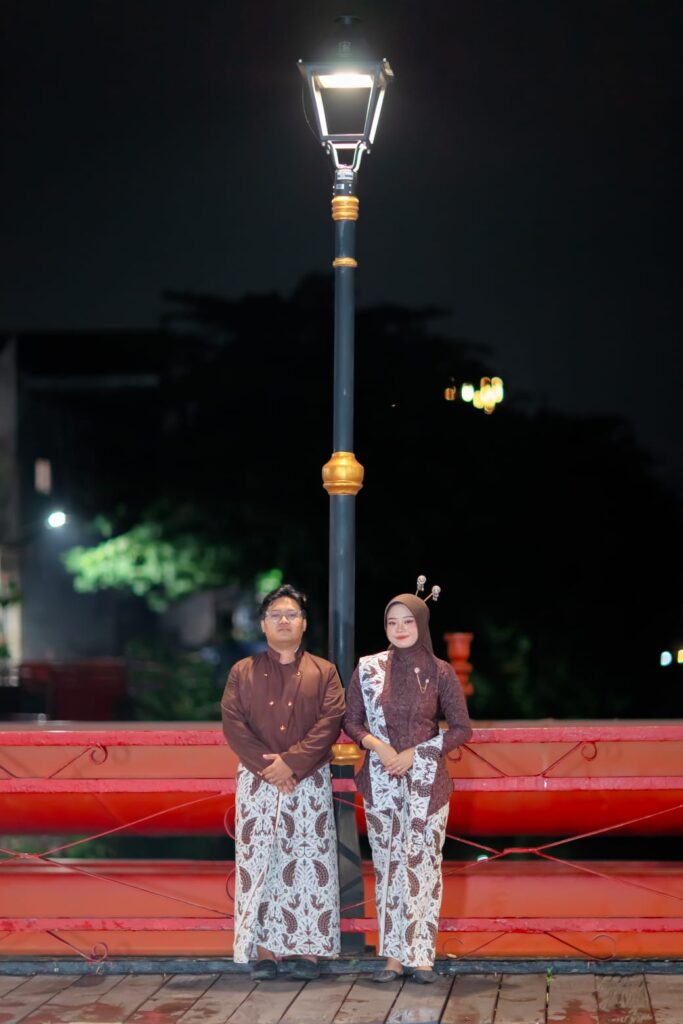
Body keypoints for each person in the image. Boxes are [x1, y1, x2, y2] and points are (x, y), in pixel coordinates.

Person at [344, 592, 472, 984]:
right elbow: (351, 721)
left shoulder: (439, 671)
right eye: (392, 622)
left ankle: (422, 957)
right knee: (387, 867)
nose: (399, 629)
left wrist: (416, 753)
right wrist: (379, 747)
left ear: (421, 624)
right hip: (381, 781)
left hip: (426, 784)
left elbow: (462, 729)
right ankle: (393, 958)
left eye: (407, 621)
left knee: (423, 866)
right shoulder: (369, 668)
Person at [221, 584, 345, 981]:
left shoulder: (324, 671)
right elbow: (233, 723)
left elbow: (330, 722)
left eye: (292, 614)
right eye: (276, 615)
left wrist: (291, 764)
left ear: (304, 623)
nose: (284, 621)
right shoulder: (242, 672)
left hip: (308, 780)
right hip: (258, 780)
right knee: (261, 861)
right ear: (263, 624)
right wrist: (269, 768)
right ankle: (265, 951)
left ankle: (309, 951)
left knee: (309, 863)